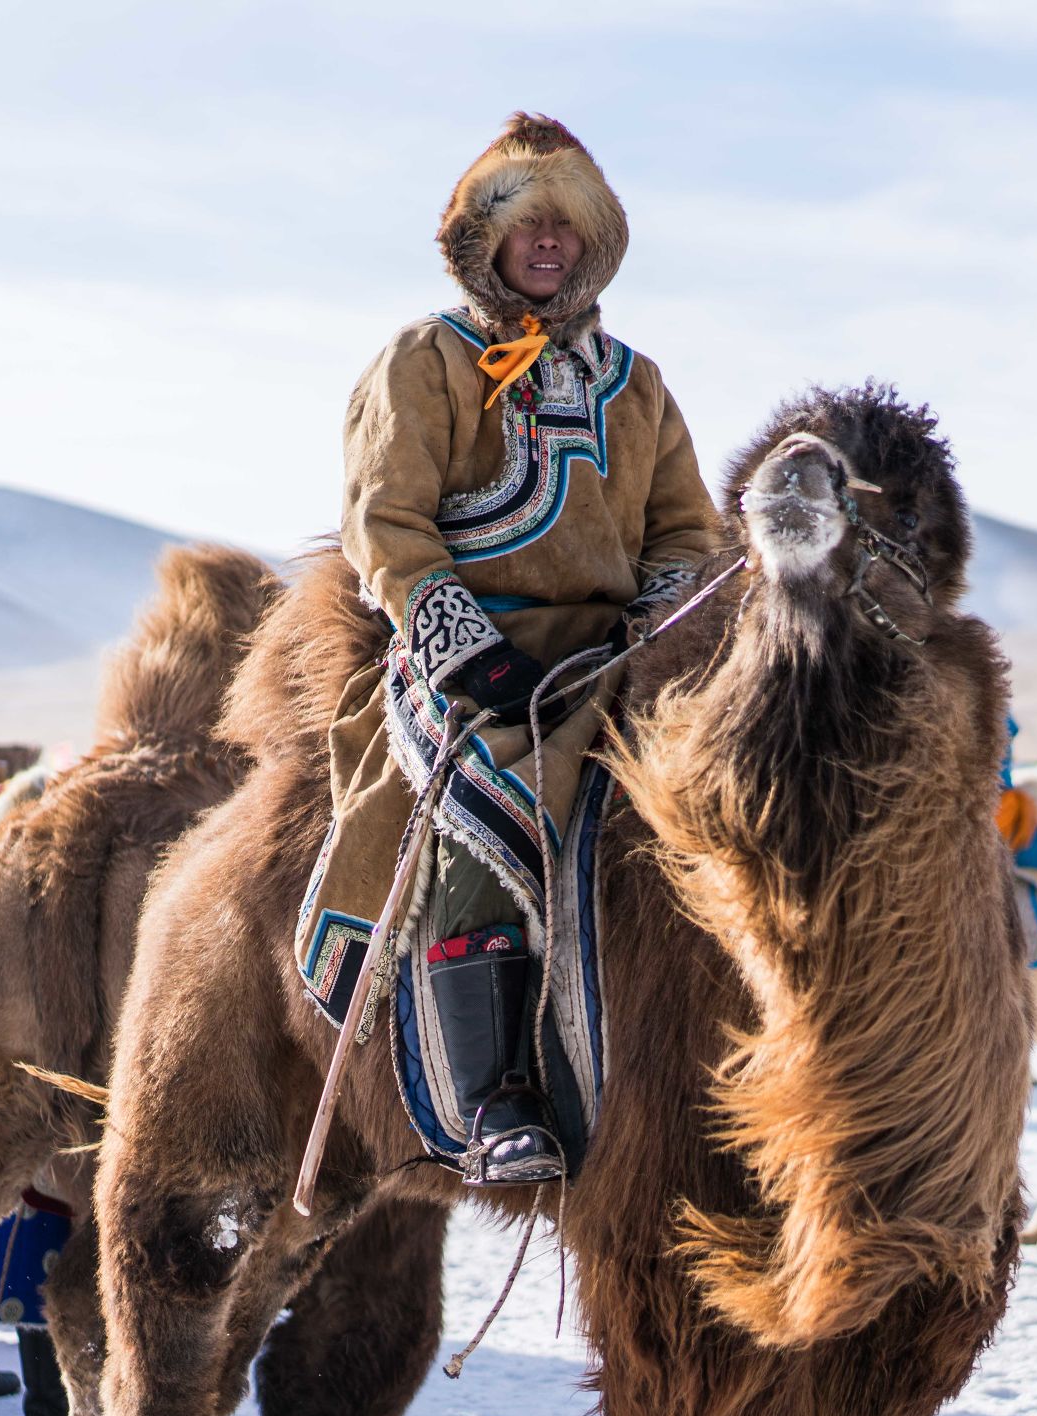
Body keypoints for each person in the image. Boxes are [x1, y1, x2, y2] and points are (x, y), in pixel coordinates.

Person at [294, 112, 719, 1184]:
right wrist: (463, 650)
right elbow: (385, 521)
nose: (547, 243)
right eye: (525, 223)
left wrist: (660, 635)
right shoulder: (424, 361)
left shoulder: (638, 385)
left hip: (620, 661)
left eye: (565, 227)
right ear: (482, 240)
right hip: (471, 663)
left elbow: (686, 533)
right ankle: (495, 1100)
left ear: (593, 243)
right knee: (490, 801)